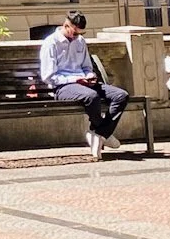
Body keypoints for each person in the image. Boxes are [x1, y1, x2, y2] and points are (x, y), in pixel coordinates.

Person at [39, 11, 129, 160]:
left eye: (80, 33)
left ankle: (100, 133)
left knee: (121, 96)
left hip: (84, 83)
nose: (76, 36)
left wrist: (89, 75)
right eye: (74, 33)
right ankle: (103, 133)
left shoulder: (80, 41)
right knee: (91, 96)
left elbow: (87, 66)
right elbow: (49, 77)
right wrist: (75, 79)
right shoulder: (51, 43)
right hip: (63, 86)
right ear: (66, 25)